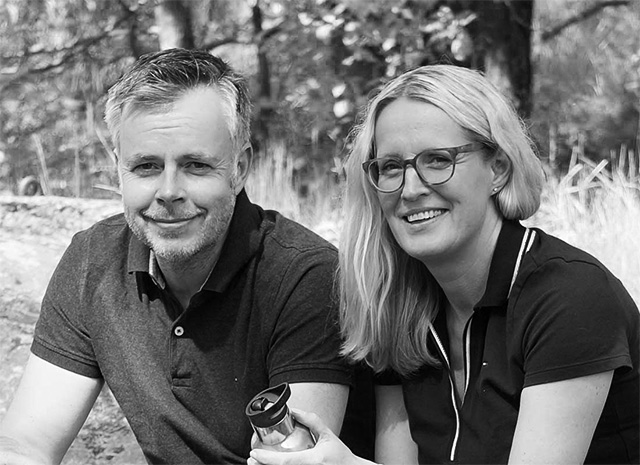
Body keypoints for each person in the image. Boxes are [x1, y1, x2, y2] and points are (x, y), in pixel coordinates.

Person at [248, 65, 640, 465]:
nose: (411, 189)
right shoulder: (399, 305)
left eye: (437, 160)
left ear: (498, 169)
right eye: (391, 167)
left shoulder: (570, 297)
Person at [0, 48, 374, 464]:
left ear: (239, 168)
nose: (168, 192)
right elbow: (26, 445)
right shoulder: (93, 261)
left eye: (195, 165)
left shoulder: (305, 277)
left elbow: (297, 462)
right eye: (146, 166)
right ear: (118, 169)